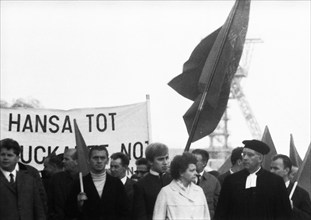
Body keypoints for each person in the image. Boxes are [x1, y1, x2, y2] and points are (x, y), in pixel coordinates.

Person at [215, 139, 292, 220]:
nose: (245, 158)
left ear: (260, 159)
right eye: (243, 154)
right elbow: (221, 212)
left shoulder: (275, 181)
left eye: (250, 155)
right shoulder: (231, 180)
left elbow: (284, 214)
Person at [65, 145, 130, 220]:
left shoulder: (116, 184)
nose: (99, 161)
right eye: (95, 158)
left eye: (102, 158)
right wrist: (78, 204)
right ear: (88, 160)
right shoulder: (79, 184)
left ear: (107, 160)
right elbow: (68, 213)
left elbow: (125, 212)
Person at [153, 152, 210, 220]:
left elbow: (206, 216)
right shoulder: (166, 192)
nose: (195, 173)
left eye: (195, 170)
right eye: (191, 170)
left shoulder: (199, 191)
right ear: (181, 172)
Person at [0, 138, 46, 220]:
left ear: (17, 158)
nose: (5, 158)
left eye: (10, 155)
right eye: (2, 154)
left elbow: (38, 208)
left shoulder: (29, 179)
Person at [132, 142, 172, 220]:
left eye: (167, 158)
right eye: (160, 159)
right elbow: (140, 215)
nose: (165, 162)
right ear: (150, 161)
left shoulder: (174, 179)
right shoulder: (141, 185)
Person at [270, 154, 311, 220]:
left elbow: (308, 217)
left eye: (276, 168)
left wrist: (292, 208)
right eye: (271, 168)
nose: (271, 171)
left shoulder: (302, 194)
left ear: (286, 170)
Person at [47, 148, 79, 220]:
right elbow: (49, 204)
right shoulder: (56, 179)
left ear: (76, 161)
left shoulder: (85, 179)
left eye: (67, 159)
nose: (63, 161)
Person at [192, 148, 221, 219]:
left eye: (195, 161)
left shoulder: (213, 181)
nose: (191, 163)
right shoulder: (185, 179)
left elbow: (218, 204)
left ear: (204, 163)